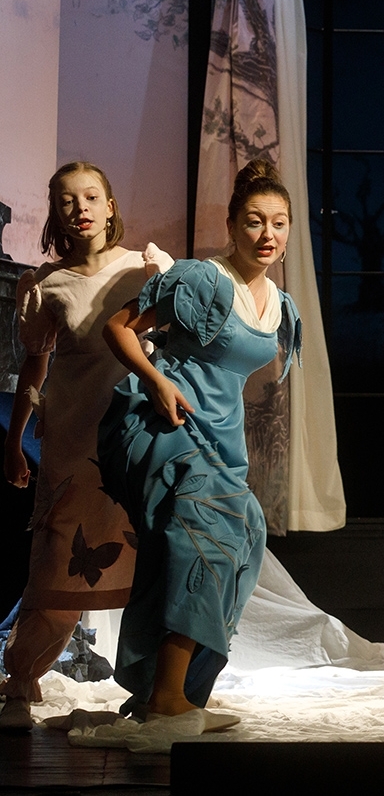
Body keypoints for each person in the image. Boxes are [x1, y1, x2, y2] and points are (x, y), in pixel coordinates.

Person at [96, 159, 301, 730]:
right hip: (165, 420)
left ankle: (172, 692)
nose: (267, 234)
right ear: (232, 226)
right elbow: (118, 327)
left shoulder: (278, 302)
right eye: (254, 221)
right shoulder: (201, 279)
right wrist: (157, 381)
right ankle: (168, 697)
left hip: (221, 432)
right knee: (208, 534)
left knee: (246, 533)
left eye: (279, 223)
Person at [0, 163, 172, 732]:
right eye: (68, 200)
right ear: (56, 212)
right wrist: (14, 441)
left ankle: (162, 688)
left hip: (134, 438)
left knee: (152, 559)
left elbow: (175, 351)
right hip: (72, 443)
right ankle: (21, 681)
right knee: (56, 563)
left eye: (91, 197)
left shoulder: (146, 269)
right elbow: (34, 366)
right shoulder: (47, 285)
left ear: (110, 205)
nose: (81, 209)